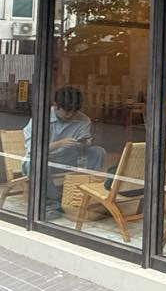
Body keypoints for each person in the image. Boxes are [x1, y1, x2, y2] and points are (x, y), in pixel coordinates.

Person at [23, 86, 105, 217]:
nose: (70, 115)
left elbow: (85, 144)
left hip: (69, 158)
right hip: (46, 158)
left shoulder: (83, 120)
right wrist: (59, 144)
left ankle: (86, 195)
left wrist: (84, 144)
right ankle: (53, 203)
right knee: (33, 163)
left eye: (74, 112)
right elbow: (32, 149)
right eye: (67, 111)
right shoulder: (41, 118)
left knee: (97, 152)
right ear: (55, 105)